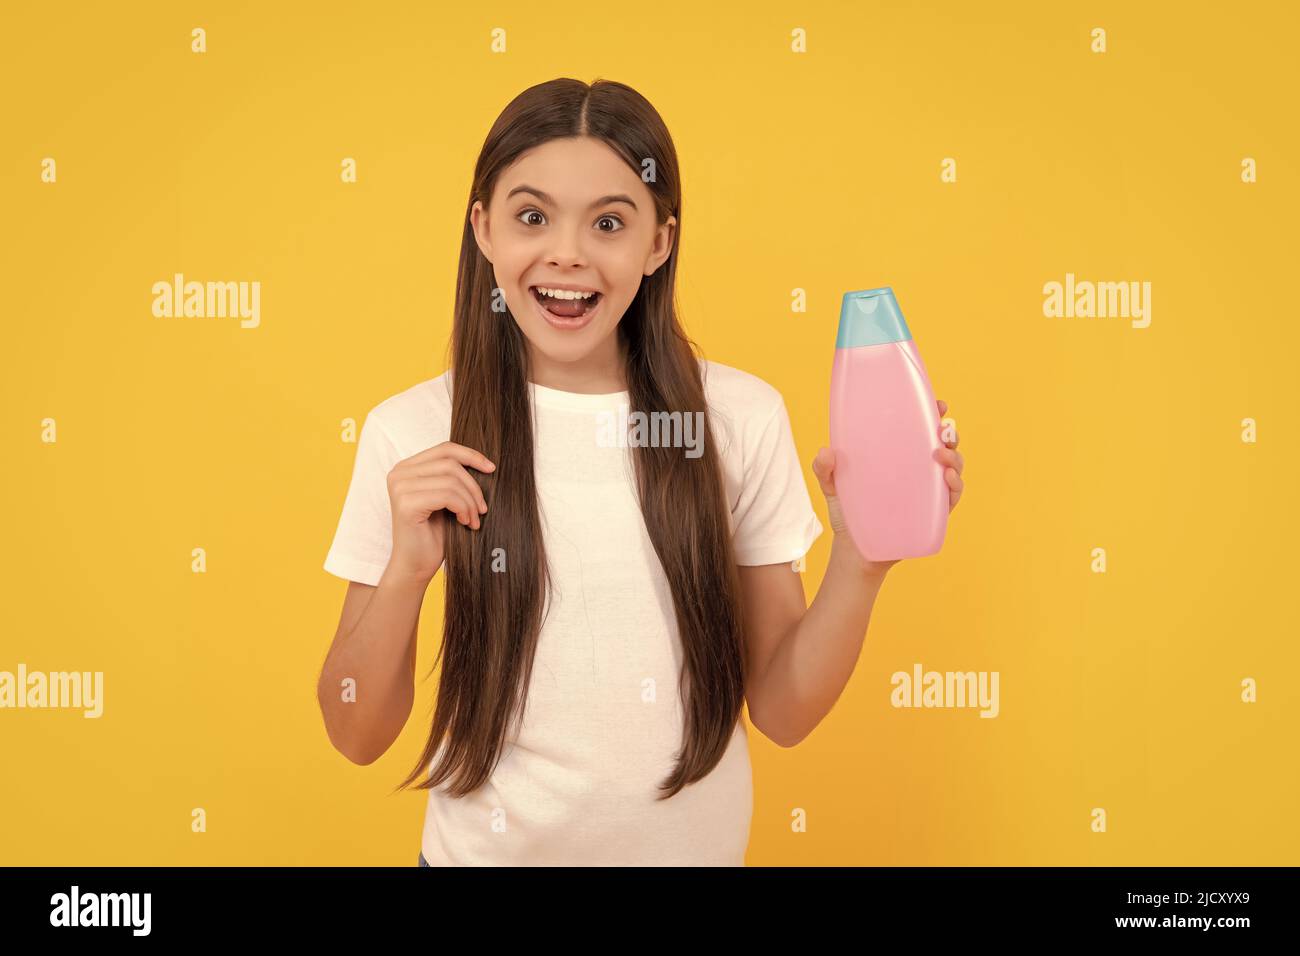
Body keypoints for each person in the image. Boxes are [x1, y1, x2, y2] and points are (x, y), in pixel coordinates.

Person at [317, 77, 965, 866]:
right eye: (532, 217)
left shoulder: (738, 420)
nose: (568, 253)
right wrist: (404, 575)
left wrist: (862, 563)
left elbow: (786, 712)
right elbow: (355, 733)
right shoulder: (411, 432)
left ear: (658, 242)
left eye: (610, 223)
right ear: (483, 229)